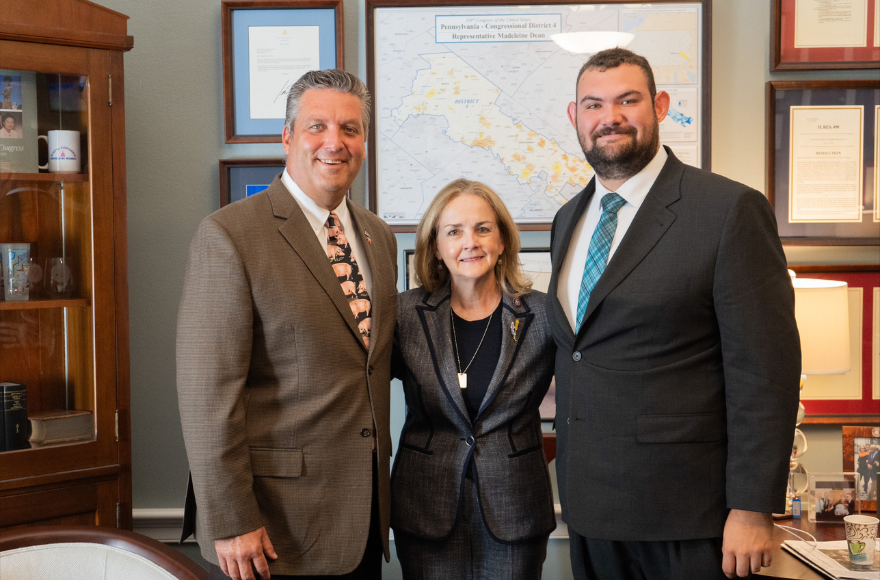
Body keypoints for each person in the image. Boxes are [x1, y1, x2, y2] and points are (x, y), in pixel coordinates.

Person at [547, 48, 800, 580]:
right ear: (574, 117)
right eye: (593, 104)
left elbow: (765, 373)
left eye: (627, 100)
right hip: (591, 511)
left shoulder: (727, 210)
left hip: (689, 517)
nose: (609, 116)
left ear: (659, 105)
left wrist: (753, 508)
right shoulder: (569, 218)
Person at [177, 69, 398, 580]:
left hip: (362, 518)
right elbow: (207, 396)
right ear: (287, 138)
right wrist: (230, 520)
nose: (334, 143)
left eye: (350, 129)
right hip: (271, 531)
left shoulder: (378, 238)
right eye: (317, 127)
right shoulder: (230, 235)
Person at [391, 179, 556, 579]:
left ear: (502, 241)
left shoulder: (542, 314)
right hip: (425, 504)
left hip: (515, 504)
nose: (471, 242)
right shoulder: (404, 315)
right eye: (454, 231)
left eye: (483, 228)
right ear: (435, 246)